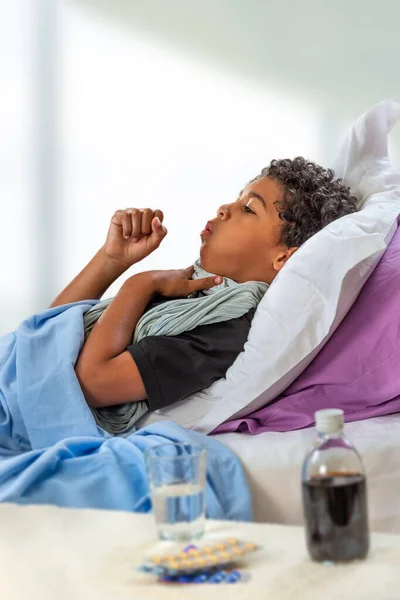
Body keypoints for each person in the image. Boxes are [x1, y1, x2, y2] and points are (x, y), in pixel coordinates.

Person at [50, 157, 358, 432]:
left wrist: (139, 284)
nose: (224, 209)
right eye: (237, 200)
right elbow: (45, 333)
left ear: (284, 258)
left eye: (249, 209)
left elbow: (91, 384)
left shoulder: (225, 327)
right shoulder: (189, 291)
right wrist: (111, 259)